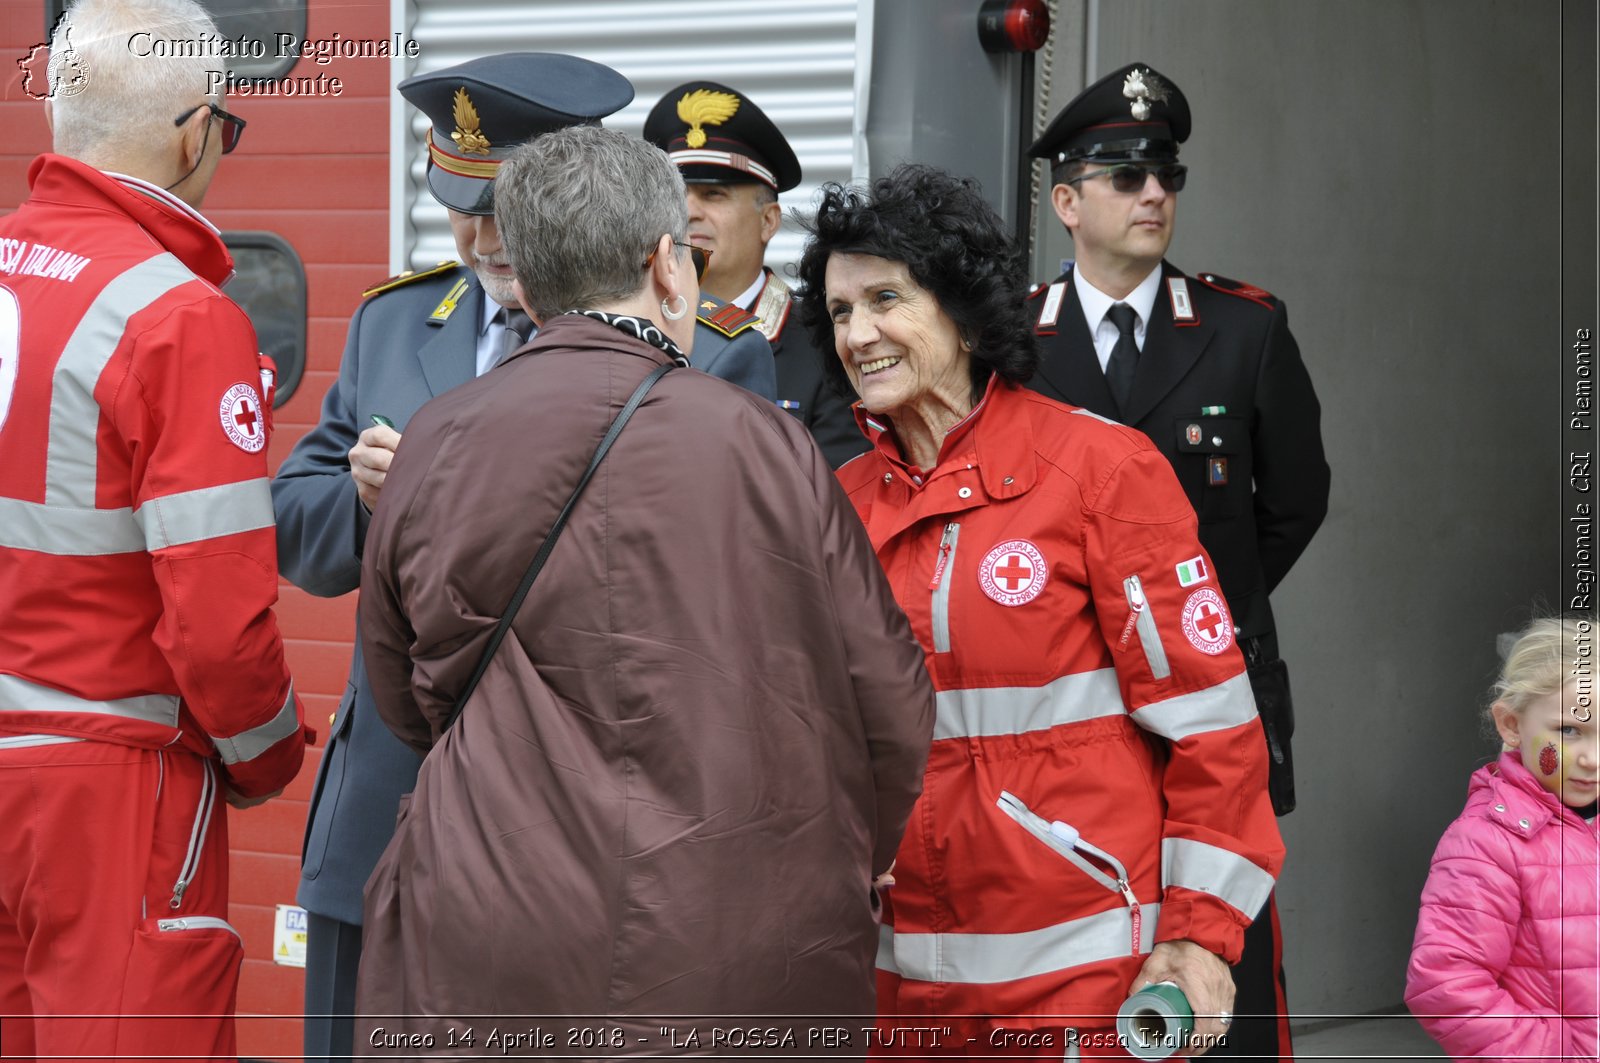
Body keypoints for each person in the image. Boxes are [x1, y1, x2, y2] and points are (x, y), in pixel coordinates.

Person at [351, 124, 933, 1046]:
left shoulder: (435, 439)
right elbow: (889, 697)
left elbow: (402, 686)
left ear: (530, 284)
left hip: (490, 924)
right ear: (670, 265)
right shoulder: (763, 441)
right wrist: (852, 848)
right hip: (734, 933)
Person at [795, 163, 1285, 1057]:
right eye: (837, 311)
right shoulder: (837, 506)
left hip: (1081, 977)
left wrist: (1195, 938)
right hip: (897, 987)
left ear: (964, 311)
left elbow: (1216, 732)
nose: (858, 333)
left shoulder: (1102, 472)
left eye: (885, 299)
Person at [271, 52, 648, 1063]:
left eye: (502, 208)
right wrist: (365, 501)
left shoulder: (664, 343)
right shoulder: (395, 322)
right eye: (456, 205)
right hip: (379, 804)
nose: (477, 236)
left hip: (556, 808)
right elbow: (297, 527)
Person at [0, 1, 308, 1060]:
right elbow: (219, 624)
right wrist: (266, 755)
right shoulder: (179, 316)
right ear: (195, 131)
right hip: (110, 791)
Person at [1025, 62, 1330, 1059]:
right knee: (1071, 920)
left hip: (1213, 697)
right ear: (1067, 201)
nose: (1152, 193)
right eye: (1122, 176)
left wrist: (1192, 616)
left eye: (1164, 174)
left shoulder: (1244, 329)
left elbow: (1292, 502)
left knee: (1222, 929)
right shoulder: (1013, 344)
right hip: (1063, 696)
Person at [1405, 616, 1599, 1062]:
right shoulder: (1487, 843)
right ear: (1511, 725)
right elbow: (1445, 985)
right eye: (1569, 730)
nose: (1592, 759)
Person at [644, 79, 866, 466]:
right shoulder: (632, 326)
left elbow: (833, 496)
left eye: (714, 195)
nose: (690, 211)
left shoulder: (824, 342)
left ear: (768, 221)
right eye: (678, 195)